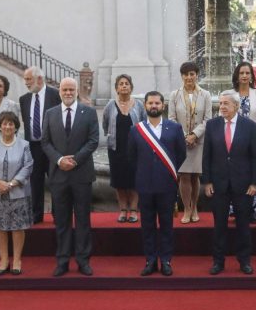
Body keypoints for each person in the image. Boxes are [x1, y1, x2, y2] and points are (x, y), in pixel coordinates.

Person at [42, 77, 100, 277]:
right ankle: (63, 260)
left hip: (81, 175)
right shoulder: (50, 114)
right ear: (59, 92)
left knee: (83, 220)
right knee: (62, 221)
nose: (68, 93)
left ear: (77, 92)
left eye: (71, 89)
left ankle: (83, 260)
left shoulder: (89, 113)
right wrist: (59, 160)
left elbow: (93, 141)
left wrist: (74, 160)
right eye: (64, 89)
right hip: (59, 176)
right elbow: (45, 142)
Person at [127, 91, 186, 276]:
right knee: (148, 226)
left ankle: (166, 260)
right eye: (150, 103)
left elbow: (181, 154)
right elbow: (131, 157)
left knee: (167, 225)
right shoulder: (136, 130)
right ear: (145, 105)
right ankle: (150, 260)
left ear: (163, 106)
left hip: (167, 185)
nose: (154, 106)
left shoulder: (174, 128)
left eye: (157, 103)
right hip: (144, 186)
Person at [202, 90, 256, 275]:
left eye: (226, 103)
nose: (222, 107)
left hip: (243, 184)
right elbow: (207, 156)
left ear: (236, 106)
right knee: (219, 225)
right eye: (220, 103)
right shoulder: (212, 125)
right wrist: (207, 181)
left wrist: (254, 183)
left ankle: (244, 261)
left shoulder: (249, 126)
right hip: (219, 184)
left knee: (243, 225)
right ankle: (218, 262)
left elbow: (255, 157)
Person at [0, 111, 34, 276]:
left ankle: (17, 259)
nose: (7, 126)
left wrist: (11, 184)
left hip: (17, 192)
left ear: (16, 127)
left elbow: (28, 166)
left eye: (11, 124)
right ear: (0, 126)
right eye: (4, 123)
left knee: (18, 227)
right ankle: (3, 260)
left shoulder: (24, 145)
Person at [169, 61, 212, 224]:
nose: (189, 77)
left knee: (195, 176)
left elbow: (208, 119)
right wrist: (184, 137)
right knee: (184, 175)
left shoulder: (205, 95)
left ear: (196, 75)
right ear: (182, 76)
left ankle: (194, 207)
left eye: (192, 74)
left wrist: (194, 135)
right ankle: (186, 208)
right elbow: (171, 119)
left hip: (199, 141)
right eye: (186, 74)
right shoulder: (175, 95)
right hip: (181, 141)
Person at [102, 74, 146, 223]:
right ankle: (122, 210)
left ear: (131, 87)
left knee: (134, 180)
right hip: (116, 149)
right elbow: (105, 124)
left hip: (135, 150)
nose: (124, 86)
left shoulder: (139, 105)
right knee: (119, 181)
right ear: (116, 88)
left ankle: (133, 210)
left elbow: (144, 124)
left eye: (127, 83)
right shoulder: (110, 105)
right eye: (121, 84)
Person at [20, 66, 61, 224]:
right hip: (33, 147)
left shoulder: (56, 95)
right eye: (25, 79)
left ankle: (58, 214)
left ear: (39, 79)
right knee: (35, 181)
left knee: (56, 181)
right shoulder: (24, 99)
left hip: (53, 146)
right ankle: (36, 214)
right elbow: (27, 123)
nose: (26, 83)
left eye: (28, 79)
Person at [232, 61, 256, 220]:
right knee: (236, 178)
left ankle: (255, 210)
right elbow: (225, 118)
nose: (245, 76)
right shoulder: (230, 95)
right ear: (237, 76)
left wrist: (250, 137)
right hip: (235, 147)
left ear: (252, 76)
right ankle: (236, 210)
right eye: (242, 73)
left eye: (247, 73)